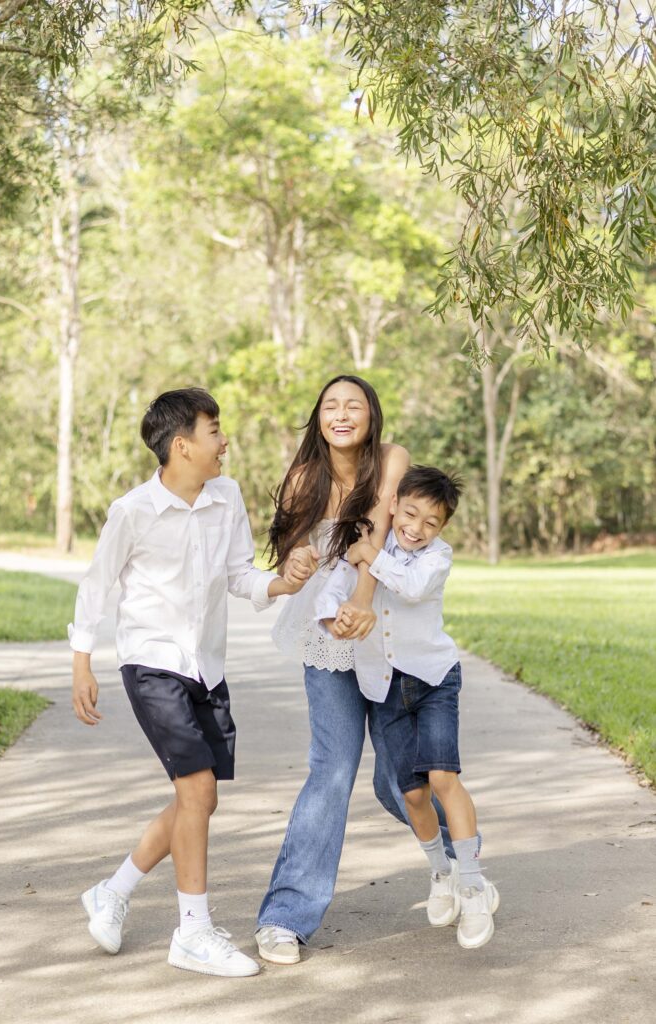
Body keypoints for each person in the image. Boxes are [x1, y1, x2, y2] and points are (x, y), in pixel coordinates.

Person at [70, 387, 311, 978]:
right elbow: (97, 585)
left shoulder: (226, 496)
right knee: (198, 790)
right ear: (182, 445)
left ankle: (113, 891)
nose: (224, 442)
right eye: (214, 431)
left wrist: (281, 583)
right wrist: (82, 662)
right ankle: (193, 932)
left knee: (198, 799)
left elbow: (238, 574)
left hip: (206, 665)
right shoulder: (133, 511)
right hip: (152, 662)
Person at [255, 373, 418, 965]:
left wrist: (363, 604)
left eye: (353, 405)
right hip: (328, 632)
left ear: (371, 415)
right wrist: (297, 562)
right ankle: (285, 918)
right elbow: (294, 549)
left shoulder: (392, 460)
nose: (342, 414)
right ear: (319, 418)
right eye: (331, 406)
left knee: (398, 780)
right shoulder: (305, 476)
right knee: (332, 769)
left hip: (385, 628)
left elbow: (375, 531)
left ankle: (463, 862)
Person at [316, 465, 499, 949]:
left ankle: (473, 886)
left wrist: (370, 554)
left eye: (430, 522)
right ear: (393, 505)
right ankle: (441, 872)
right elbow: (333, 592)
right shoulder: (367, 546)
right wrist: (334, 618)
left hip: (434, 680)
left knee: (443, 778)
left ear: (443, 527)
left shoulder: (436, 558)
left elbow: (411, 586)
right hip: (383, 688)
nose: (416, 528)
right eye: (410, 514)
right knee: (412, 794)